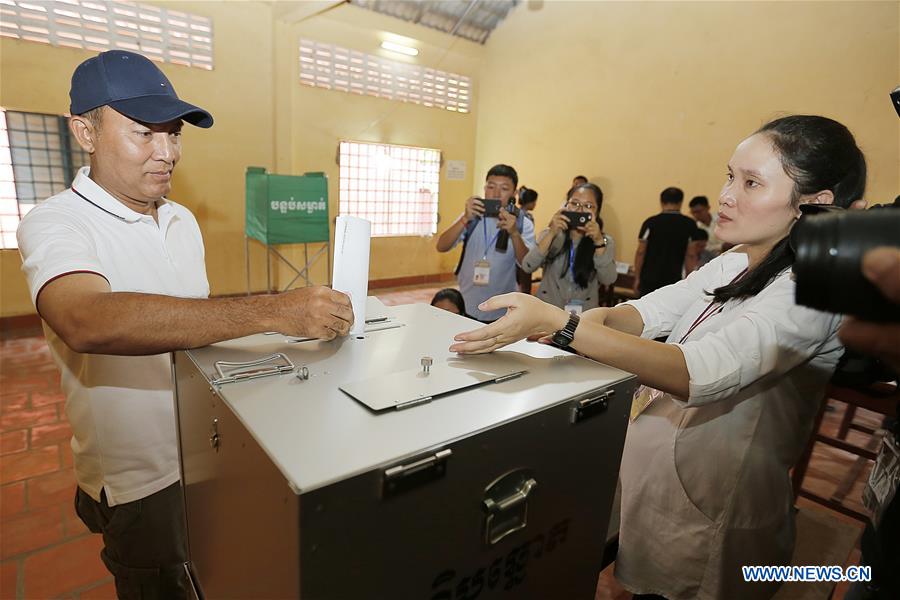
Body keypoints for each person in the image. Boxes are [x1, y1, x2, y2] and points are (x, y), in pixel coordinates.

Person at [450, 115, 866, 600]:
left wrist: (563, 325)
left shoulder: (813, 286)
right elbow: (645, 313)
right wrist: (592, 321)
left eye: (751, 183)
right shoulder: (735, 259)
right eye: (730, 176)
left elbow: (700, 370)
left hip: (720, 494)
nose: (726, 196)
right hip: (661, 472)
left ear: (815, 203)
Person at [16, 50, 353, 599]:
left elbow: (192, 323)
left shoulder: (180, 219)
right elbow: (85, 318)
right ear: (85, 132)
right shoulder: (58, 223)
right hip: (142, 480)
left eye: (174, 135)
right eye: (144, 133)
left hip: (207, 449)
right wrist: (273, 310)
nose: (167, 153)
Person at [435, 164, 535, 322]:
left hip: (503, 308)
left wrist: (514, 233)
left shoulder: (522, 223)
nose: (496, 193)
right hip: (466, 303)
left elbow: (527, 264)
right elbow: (441, 246)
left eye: (504, 188)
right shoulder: (472, 216)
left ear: (514, 193)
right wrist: (465, 219)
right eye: (491, 186)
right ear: (484, 188)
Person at [521, 182, 617, 312]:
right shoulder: (551, 234)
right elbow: (527, 266)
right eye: (575, 203)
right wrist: (551, 233)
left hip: (583, 315)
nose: (580, 210)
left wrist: (598, 242)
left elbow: (608, 279)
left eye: (588, 206)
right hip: (548, 312)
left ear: (597, 211)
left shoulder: (604, 241)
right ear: (566, 206)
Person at [633, 187, 706, 297]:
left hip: (649, 278)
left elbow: (640, 252)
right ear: (680, 202)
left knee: (646, 306)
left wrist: (637, 277)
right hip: (673, 278)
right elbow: (691, 255)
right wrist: (688, 281)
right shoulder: (689, 224)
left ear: (661, 202)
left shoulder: (650, 223)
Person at [688, 195, 724, 266]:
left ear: (708, 208)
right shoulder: (694, 228)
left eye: (699, 211)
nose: (696, 215)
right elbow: (700, 247)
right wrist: (721, 246)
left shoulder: (721, 219)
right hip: (709, 260)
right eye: (693, 212)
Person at [516, 186, 539, 293]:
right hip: (524, 254)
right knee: (524, 286)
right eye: (534, 202)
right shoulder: (526, 217)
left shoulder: (517, 213)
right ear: (529, 201)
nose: (535, 204)